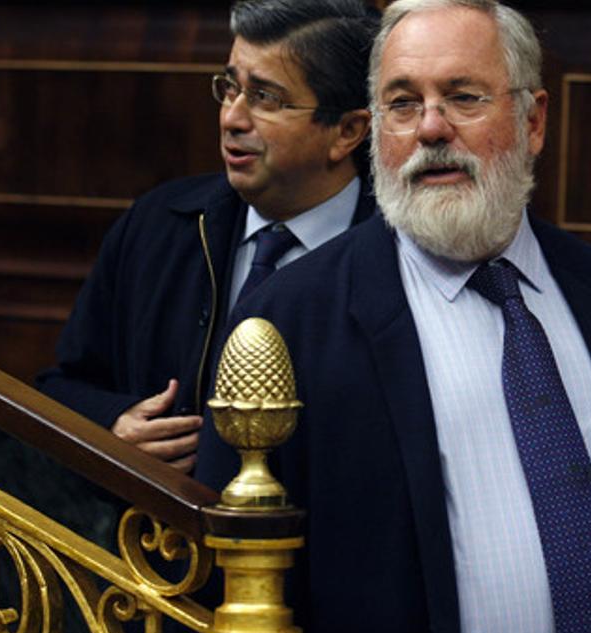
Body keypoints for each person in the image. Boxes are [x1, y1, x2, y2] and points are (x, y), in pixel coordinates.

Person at [195, 0, 591, 633]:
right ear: (374, 130)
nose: (431, 128)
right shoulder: (290, 320)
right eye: (403, 103)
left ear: (533, 120)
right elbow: (226, 598)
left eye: (462, 96)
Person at [37, 0, 379, 472]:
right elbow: (62, 389)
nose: (231, 119)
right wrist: (112, 433)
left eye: (265, 98)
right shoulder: (158, 225)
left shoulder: (398, 256)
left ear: (347, 131)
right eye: (230, 89)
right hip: (158, 540)